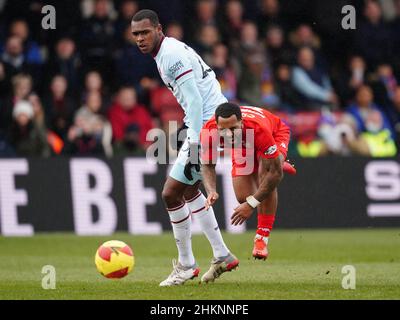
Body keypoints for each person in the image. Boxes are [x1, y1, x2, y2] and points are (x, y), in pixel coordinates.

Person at [131, 9, 238, 286]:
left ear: (159, 29)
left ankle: (187, 265)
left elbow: (194, 101)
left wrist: (193, 141)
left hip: (207, 126)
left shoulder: (171, 56)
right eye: (136, 35)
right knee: (188, 190)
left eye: (144, 32)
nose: (140, 39)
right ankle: (221, 254)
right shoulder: (167, 52)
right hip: (207, 124)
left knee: (170, 193)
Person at [201, 103, 296, 261]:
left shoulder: (259, 129)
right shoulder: (208, 131)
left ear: (242, 123)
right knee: (243, 196)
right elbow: (207, 165)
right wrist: (211, 190)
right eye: (222, 130)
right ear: (216, 126)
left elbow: (275, 176)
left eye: (233, 129)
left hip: (274, 134)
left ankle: (261, 238)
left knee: (267, 176)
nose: (228, 135)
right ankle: (273, 161)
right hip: (243, 145)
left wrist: (251, 204)